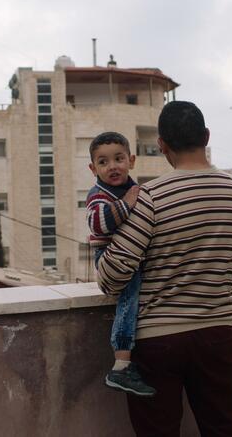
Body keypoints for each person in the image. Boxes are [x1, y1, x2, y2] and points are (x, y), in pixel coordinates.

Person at [97, 101, 232, 436]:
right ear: (206, 136)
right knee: (224, 427)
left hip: (157, 341)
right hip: (217, 333)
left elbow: (113, 276)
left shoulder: (150, 196)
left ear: (162, 145)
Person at [85, 131, 156, 397]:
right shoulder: (98, 194)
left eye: (118, 159)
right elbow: (97, 223)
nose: (112, 166)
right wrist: (127, 203)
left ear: (131, 160)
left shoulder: (133, 189)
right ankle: (122, 363)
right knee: (128, 297)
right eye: (103, 162)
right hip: (109, 257)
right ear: (93, 169)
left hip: (131, 254)